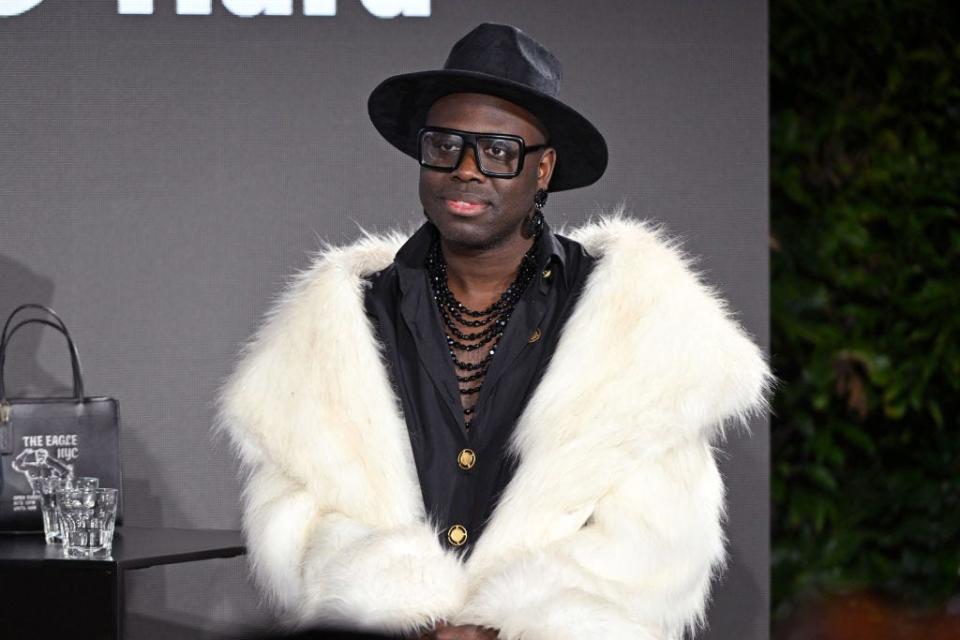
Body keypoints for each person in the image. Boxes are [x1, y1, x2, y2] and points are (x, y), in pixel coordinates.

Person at [218, 23, 771, 640]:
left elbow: (660, 535)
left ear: (544, 169)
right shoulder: (348, 319)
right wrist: (397, 605)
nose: (467, 170)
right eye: (445, 146)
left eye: (499, 151)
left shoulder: (631, 322)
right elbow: (301, 511)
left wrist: (506, 623)